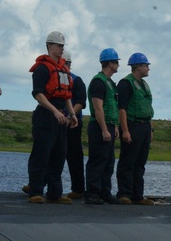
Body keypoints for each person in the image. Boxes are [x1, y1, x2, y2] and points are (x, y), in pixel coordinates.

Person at [27, 31, 78, 204]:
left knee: (59, 154)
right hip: (46, 114)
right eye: (58, 46)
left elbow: (67, 95)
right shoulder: (42, 68)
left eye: (63, 46)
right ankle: (35, 191)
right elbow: (38, 94)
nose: (61, 49)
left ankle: (55, 193)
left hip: (61, 116)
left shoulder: (63, 70)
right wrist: (54, 111)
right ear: (49, 46)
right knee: (41, 154)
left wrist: (72, 113)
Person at [116, 52, 155, 205]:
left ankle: (137, 194)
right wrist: (125, 130)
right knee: (128, 160)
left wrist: (150, 129)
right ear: (138, 66)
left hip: (144, 125)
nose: (148, 69)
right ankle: (124, 193)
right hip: (132, 124)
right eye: (146, 65)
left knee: (140, 162)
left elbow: (148, 108)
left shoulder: (144, 85)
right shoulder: (126, 83)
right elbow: (122, 109)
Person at [84, 48, 120, 205]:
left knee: (108, 161)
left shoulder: (110, 83)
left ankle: (105, 192)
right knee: (97, 160)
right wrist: (104, 128)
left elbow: (112, 107)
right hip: (99, 126)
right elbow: (98, 108)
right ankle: (92, 193)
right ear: (110, 64)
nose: (118, 65)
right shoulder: (98, 82)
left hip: (110, 125)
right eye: (116, 62)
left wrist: (114, 127)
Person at [63, 51, 87, 199]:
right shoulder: (54, 78)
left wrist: (70, 116)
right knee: (49, 154)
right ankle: (38, 184)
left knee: (74, 156)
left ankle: (78, 189)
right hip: (58, 120)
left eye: (66, 63)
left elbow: (81, 102)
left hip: (73, 123)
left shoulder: (77, 80)